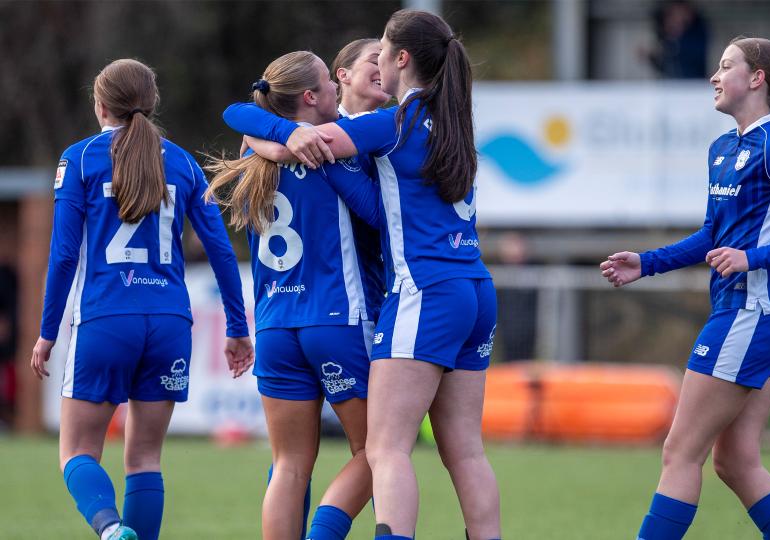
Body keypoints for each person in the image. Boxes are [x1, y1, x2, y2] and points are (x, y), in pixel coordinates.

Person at [223, 10, 501, 540]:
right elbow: (371, 203)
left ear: (403, 60)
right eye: (363, 61)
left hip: (293, 315)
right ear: (327, 86)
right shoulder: (447, 121)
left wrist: (276, 139)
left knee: (339, 456)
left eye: (382, 53)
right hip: (440, 290)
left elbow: (244, 117)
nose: (377, 64)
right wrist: (292, 139)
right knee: (433, 450)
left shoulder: (383, 128)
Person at [601, 37, 770, 540]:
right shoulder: (722, 149)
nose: (714, 76)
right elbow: (713, 237)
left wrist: (752, 257)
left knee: (679, 452)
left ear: (756, 79)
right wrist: (646, 263)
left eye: (726, 66)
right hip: (751, 314)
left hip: (754, 312)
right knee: (735, 461)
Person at [31, 59, 252, 540]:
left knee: (77, 453)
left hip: (107, 319)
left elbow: (64, 255)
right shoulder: (184, 163)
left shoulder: (79, 158)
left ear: (100, 105)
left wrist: (47, 333)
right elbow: (220, 249)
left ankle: (111, 529)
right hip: (170, 324)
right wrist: (238, 327)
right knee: (146, 458)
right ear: (152, 104)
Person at [206, 47, 387, 540]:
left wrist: (276, 137)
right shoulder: (337, 147)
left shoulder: (253, 150)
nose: (334, 87)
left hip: (276, 325)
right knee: (378, 452)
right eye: (328, 81)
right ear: (310, 97)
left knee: (288, 465)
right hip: (337, 318)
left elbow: (240, 116)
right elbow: (378, 217)